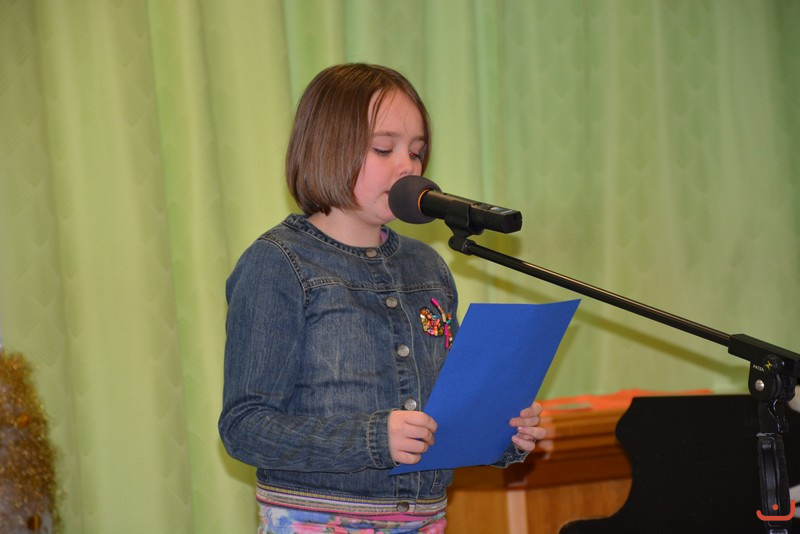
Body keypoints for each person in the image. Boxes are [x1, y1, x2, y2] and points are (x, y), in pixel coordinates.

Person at [218, 63, 546, 533]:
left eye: (416, 151)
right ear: (326, 147)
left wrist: (502, 431)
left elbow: (444, 412)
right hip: (317, 520)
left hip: (425, 519)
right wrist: (373, 438)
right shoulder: (278, 263)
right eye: (383, 148)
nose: (407, 167)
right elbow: (245, 427)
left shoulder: (427, 266)